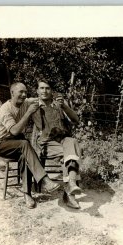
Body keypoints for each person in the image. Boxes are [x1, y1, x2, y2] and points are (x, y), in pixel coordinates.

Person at [0, 82, 60, 209]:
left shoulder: (26, 101)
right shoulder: (5, 109)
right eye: (21, 92)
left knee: (25, 155)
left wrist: (57, 97)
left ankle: (27, 194)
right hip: (3, 144)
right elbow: (14, 131)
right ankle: (44, 180)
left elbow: (44, 96)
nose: (24, 95)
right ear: (12, 93)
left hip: (18, 143)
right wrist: (28, 113)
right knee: (25, 144)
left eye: (25, 92)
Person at [31, 79, 82, 209]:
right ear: (37, 91)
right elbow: (14, 107)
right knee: (73, 151)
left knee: (72, 142)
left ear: (52, 91)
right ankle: (70, 194)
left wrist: (64, 106)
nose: (44, 91)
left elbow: (76, 120)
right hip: (47, 143)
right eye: (41, 88)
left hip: (63, 141)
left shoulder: (59, 103)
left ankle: (70, 183)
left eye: (47, 88)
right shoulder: (32, 104)